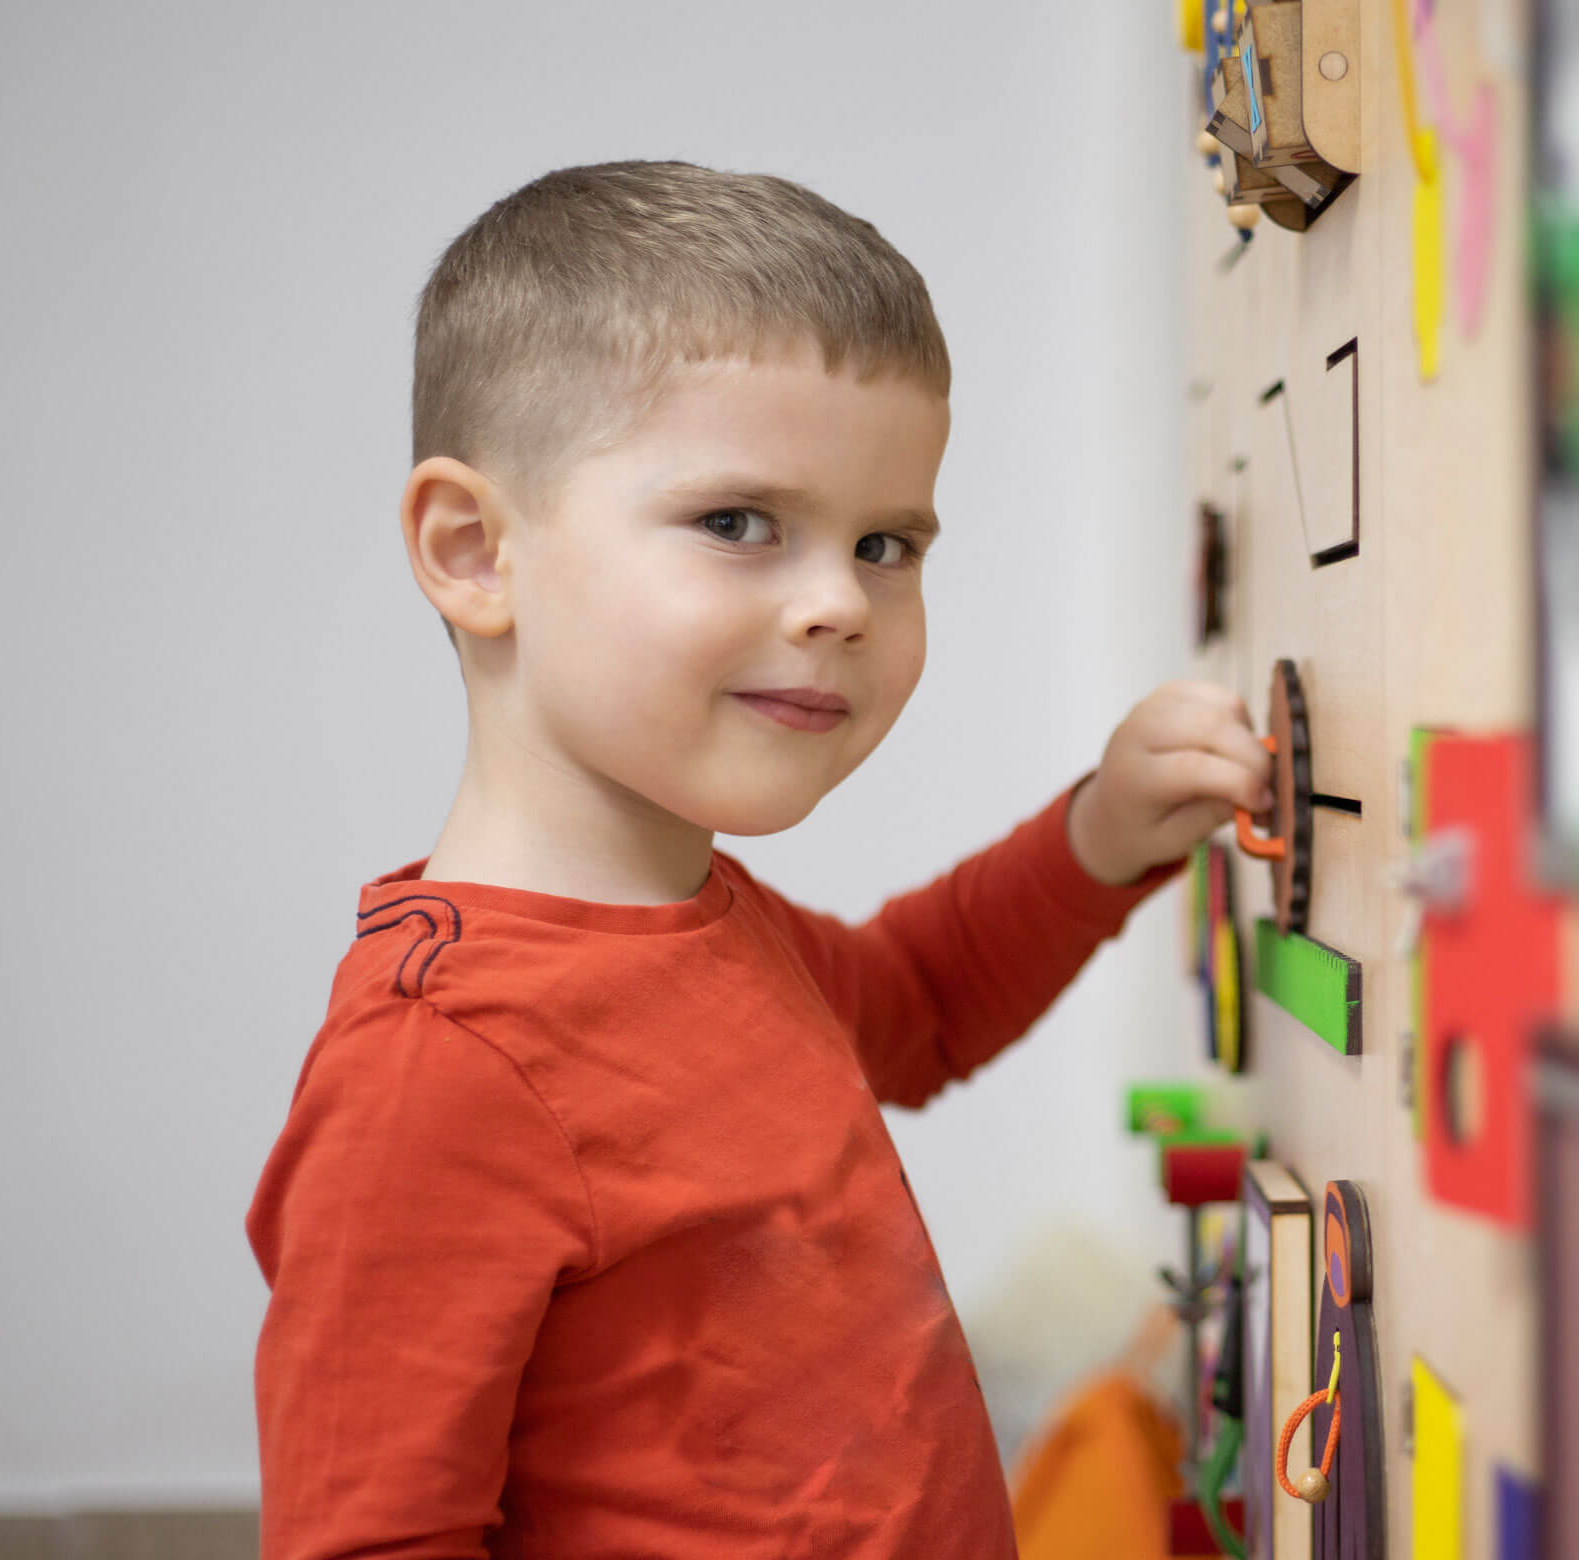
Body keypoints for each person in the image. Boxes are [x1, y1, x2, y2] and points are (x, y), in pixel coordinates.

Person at [245, 161, 1273, 1559]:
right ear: (475, 550)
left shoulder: (714, 923)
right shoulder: (440, 1067)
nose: (840, 601)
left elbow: (919, 1002)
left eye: (886, 542)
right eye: (740, 524)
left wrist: (1099, 835)